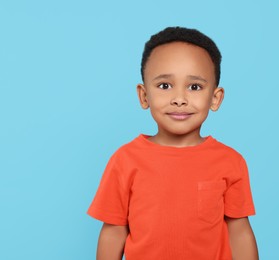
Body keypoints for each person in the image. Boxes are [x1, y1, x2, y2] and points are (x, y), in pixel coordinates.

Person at [87, 26, 259, 260]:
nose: (179, 99)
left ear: (215, 98)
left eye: (195, 87)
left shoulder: (230, 162)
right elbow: (114, 231)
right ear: (144, 95)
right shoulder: (125, 160)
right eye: (165, 86)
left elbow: (238, 232)